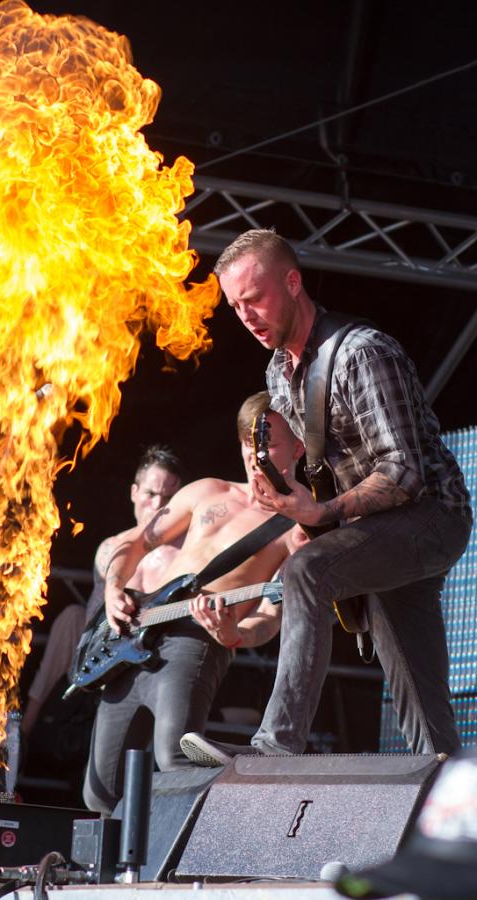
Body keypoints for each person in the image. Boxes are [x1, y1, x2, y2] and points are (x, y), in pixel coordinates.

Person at [180, 228, 473, 769]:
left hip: (431, 517)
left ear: (292, 283)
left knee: (308, 572)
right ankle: (453, 810)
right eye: (235, 306)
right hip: (373, 535)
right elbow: (319, 477)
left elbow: (404, 473)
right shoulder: (279, 373)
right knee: (426, 720)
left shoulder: (362, 354)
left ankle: (275, 747)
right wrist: (288, 501)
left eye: (255, 298)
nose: (246, 316)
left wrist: (322, 515)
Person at [83, 392, 306, 815]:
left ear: (297, 447)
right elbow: (137, 540)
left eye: (269, 443)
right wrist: (114, 588)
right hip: (136, 633)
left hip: (197, 638)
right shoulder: (208, 490)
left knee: (177, 758)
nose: (256, 454)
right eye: (248, 442)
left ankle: (238, 825)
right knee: (100, 791)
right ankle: (120, 877)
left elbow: (271, 615)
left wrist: (235, 634)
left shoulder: (294, 529)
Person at [21, 444, 184, 738]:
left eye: (168, 497)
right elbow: (92, 620)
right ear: (135, 493)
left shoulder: (183, 554)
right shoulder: (111, 547)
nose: (158, 505)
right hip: (95, 659)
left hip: (150, 661)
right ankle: (24, 734)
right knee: (71, 617)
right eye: (150, 494)